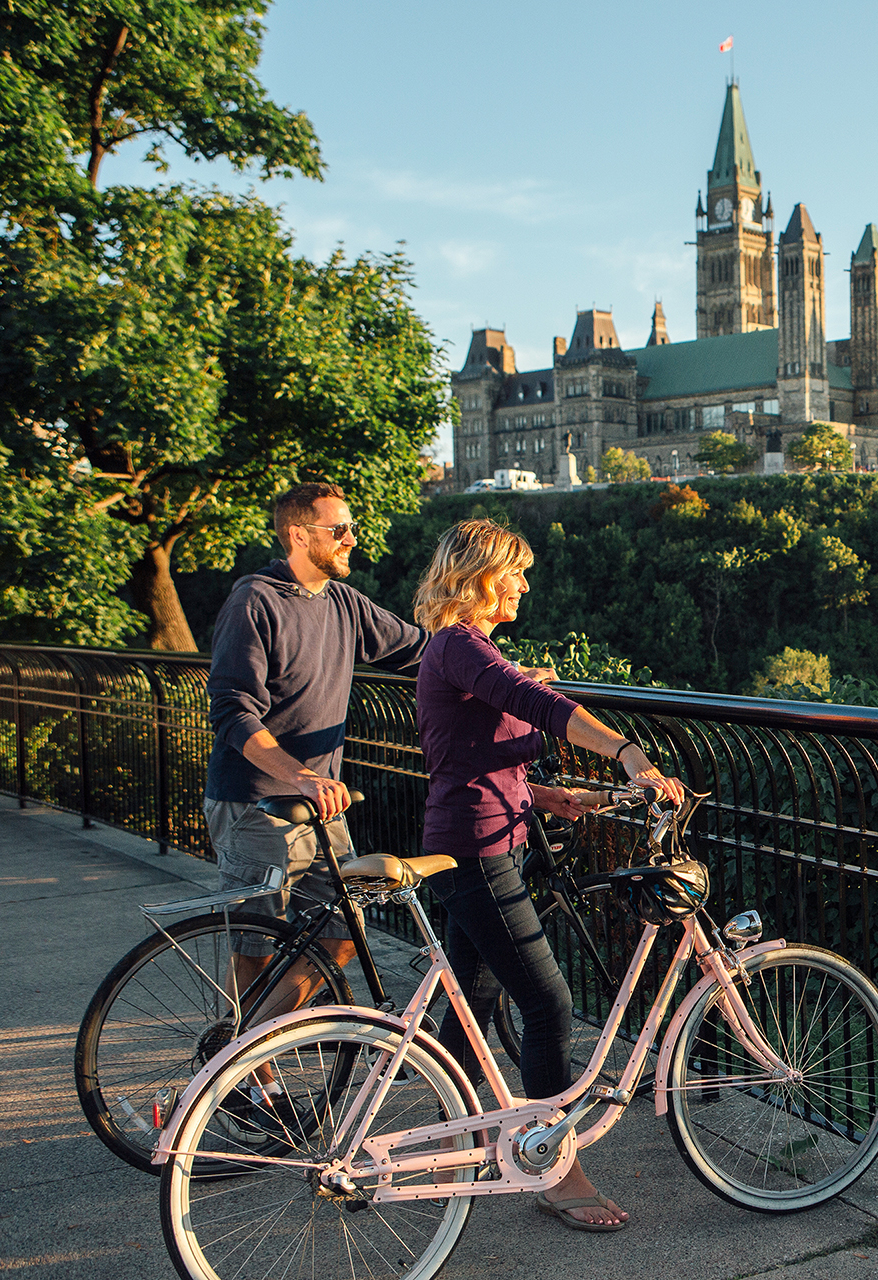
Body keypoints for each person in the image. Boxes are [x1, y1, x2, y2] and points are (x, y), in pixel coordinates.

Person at [412, 518, 683, 1233]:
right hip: (476, 850)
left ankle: (443, 1146)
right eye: (516, 573)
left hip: (477, 837)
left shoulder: (463, 652)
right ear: (479, 577)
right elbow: (541, 707)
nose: (525, 586)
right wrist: (628, 754)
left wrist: (548, 795)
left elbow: (470, 753)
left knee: (469, 1008)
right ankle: (558, 1173)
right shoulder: (461, 645)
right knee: (549, 1005)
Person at [205, 481, 429, 1021]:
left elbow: (422, 653)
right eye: (340, 530)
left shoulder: (343, 602)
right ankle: (246, 1078)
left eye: (353, 527)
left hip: (321, 807)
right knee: (255, 947)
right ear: (299, 535)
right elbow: (233, 712)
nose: (353, 538)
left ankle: (255, 1042)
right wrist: (300, 775)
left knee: (344, 933)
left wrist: (508, 677)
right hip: (256, 804)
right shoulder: (254, 600)